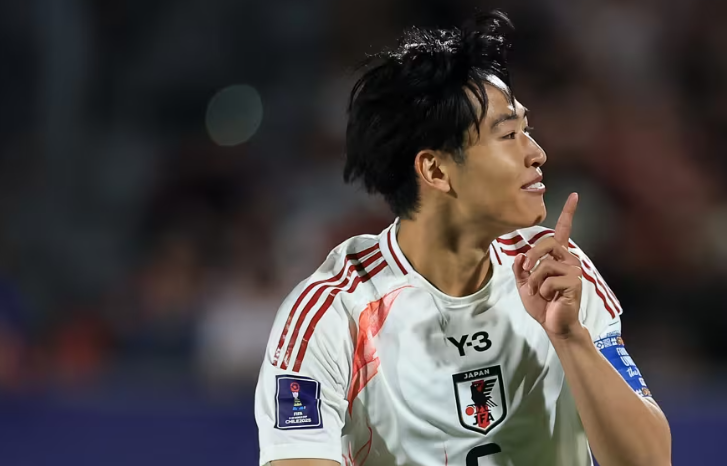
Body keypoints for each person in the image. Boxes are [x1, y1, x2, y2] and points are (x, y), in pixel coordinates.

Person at [254, 10, 671, 466]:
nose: (537, 153)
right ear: (435, 170)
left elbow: (650, 461)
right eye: (508, 134)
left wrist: (572, 339)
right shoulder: (335, 314)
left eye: (527, 130)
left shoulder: (556, 273)